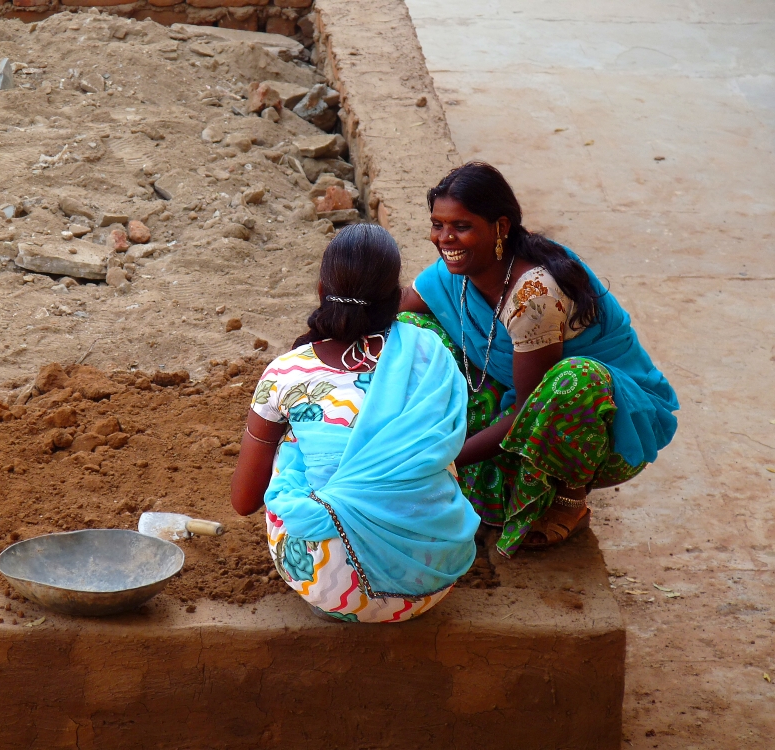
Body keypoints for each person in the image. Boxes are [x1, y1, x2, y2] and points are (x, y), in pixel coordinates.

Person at [399, 161, 679, 557]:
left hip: (601, 427)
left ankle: (570, 497)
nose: (445, 239)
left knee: (574, 381)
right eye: (437, 225)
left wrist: (441, 461)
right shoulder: (458, 274)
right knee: (412, 330)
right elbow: (397, 309)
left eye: (461, 226)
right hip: (519, 403)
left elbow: (529, 411)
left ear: (499, 227)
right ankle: (490, 474)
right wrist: (329, 325)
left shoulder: (535, 295)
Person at [230, 223, 480, 623]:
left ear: (320, 289)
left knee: (297, 434)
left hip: (328, 587)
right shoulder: (430, 354)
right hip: (430, 581)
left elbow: (244, 501)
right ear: (396, 296)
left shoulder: (287, 372)